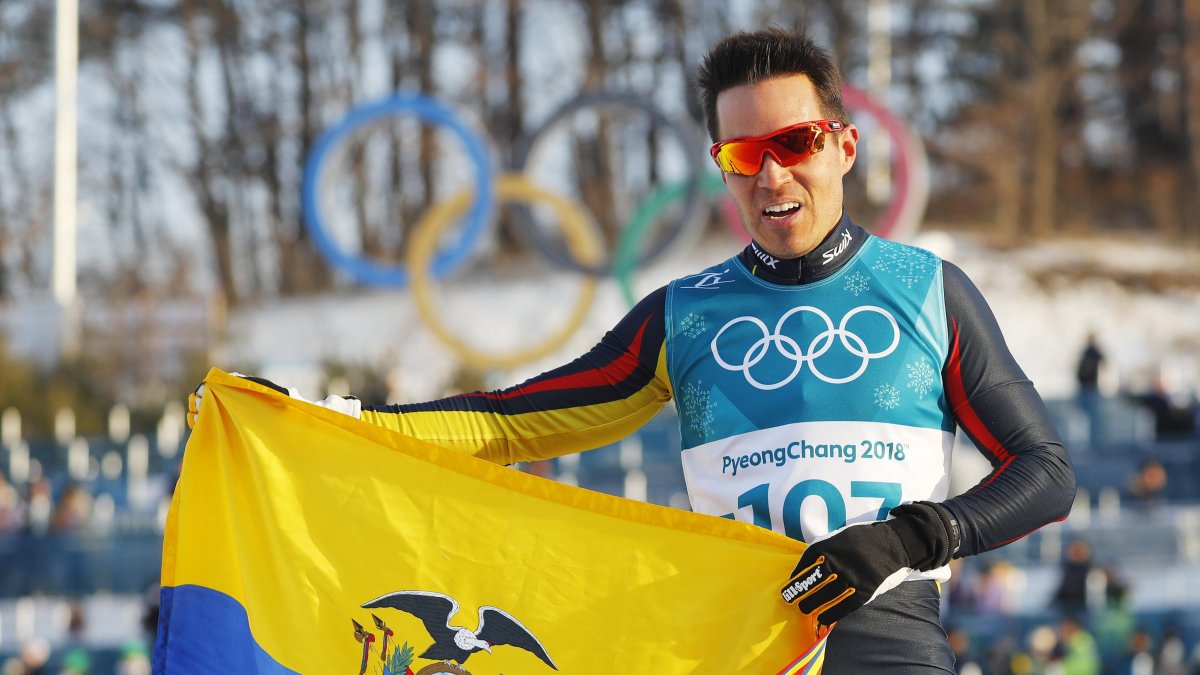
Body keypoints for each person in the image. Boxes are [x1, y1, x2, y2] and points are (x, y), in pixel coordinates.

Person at [189, 27, 1075, 672]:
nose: (771, 174)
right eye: (742, 152)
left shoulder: (928, 289)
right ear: (720, 168)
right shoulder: (682, 316)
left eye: (793, 143)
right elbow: (505, 424)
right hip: (726, 647)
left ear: (842, 146)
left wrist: (916, 533)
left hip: (889, 642)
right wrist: (322, 423)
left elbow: (1045, 472)